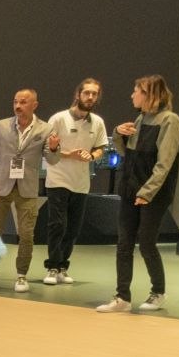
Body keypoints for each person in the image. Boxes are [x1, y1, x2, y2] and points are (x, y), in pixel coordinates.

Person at [97, 75, 179, 313]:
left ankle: (158, 291)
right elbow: (127, 153)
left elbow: (165, 163)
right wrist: (117, 134)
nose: (132, 95)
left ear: (149, 94)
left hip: (153, 192)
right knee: (124, 243)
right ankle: (122, 297)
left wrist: (147, 192)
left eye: (137, 91)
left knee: (146, 242)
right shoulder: (140, 118)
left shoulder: (170, 120)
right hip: (130, 188)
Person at [0, 88, 50, 293]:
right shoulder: (1, 126)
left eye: (23, 102)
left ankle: (21, 276)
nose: (18, 106)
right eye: (15, 102)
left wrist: (54, 148)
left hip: (27, 189)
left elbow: (52, 160)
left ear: (35, 105)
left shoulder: (45, 129)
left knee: (26, 235)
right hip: (0, 187)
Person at [41, 79, 107, 284]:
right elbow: (47, 148)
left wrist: (92, 156)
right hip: (58, 179)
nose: (90, 97)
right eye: (87, 93)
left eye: (94, 94)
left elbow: (101, 148)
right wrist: (69, 154)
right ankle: (52, 267)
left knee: (73, 228)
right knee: (58, 225)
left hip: (81, 182)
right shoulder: (59, 119)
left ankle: (63, 266)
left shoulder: (98, 122)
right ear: (78, 94)